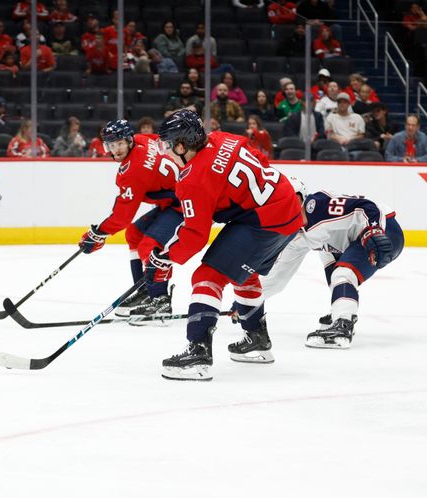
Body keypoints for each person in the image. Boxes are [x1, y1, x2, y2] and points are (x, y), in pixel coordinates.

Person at [153, 109, 303, 380]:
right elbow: (259, 160)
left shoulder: (192, 179)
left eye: (168, 144)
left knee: (207, 277)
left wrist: (166, 255)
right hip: (288, 210)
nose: (165, 151)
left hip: (263, 220)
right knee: (244, 273)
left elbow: (195, 235)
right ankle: (256, 340)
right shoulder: (223, 138)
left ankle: (198, 352)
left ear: (182, 144)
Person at [243, 177, 404, 351]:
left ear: (300, 198)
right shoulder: (294, 235)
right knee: (327, 257)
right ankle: (340, 311)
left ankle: (343, 323)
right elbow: (277, 278)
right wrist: (247, 303)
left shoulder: (318, 205)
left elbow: (366, 206)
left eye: (287, 199)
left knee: (342, 274)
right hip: (353, 241)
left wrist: (373, 231)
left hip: (383, 230)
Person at [77, 119, 183, 322]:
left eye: (119, 144)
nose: (115, 150)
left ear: (128, 140)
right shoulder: (143, 139)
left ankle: (160, 300)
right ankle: (145, 289)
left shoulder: (132, 171)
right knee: (134, 234)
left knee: (150, 245)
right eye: (110, 145)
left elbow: (122, 216)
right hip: (172, 200)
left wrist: (98, 233)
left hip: (185, 203)